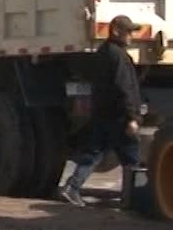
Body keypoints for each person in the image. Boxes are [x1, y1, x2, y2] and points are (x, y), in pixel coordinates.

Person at [60, 15, 143, 207]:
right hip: (119, 117)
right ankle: (133, 200)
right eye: (128, 32)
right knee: (131, 160)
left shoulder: (103, 52)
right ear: (116, 31)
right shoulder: (118, 56)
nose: (131, 36)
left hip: (102, 114)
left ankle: (72, 187)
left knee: (93, 154)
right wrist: (132, 117)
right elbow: (125, 88)